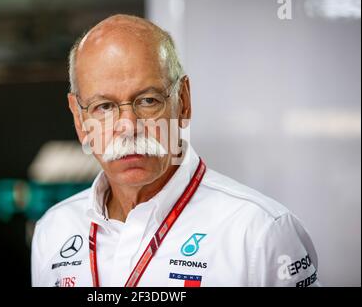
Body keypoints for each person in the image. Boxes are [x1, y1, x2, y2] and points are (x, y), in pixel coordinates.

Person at [31, 14, 319, 287]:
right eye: (104, 107)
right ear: (80, 119)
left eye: (147, 100)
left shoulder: (260, 232)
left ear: (183, 101)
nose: (128, 126)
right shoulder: (54, 230)